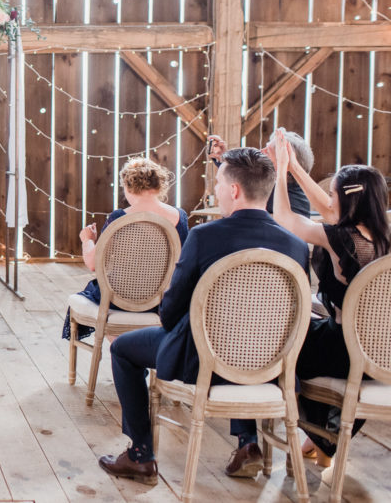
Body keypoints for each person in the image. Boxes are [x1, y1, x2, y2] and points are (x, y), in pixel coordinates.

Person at [98, 147, 309, 486]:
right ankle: (248, 443)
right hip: (270, 364)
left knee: (122, 349)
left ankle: (139, 455)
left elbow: (169, 315)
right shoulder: (295, 246)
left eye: (219, 183)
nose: (216, 190)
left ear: (235, 191)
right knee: (243, 343)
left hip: (203, 359)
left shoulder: (204, 237)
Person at [269, 130, 389, 467]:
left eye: (333, 193)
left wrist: (280, 173)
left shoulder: (341, 238)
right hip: (382, 353)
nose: (327, 199)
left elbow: (285, 219)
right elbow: (328, 207)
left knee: (287, 341)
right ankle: (322, 441)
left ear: (349, 200)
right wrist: (293, 167)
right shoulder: (381, 237)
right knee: (314, 326)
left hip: (345, 351)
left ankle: (320, 437)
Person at [61, 157, 189, 341]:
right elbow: (183, 260)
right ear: (159, 186)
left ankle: (123, 355)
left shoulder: (120, 217)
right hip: (162, 301)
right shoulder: (179, 216)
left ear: (128, 188)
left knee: (102, 294)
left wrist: (87, 240)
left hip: (120, 299)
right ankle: (137, 355)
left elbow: (92, 264)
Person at [207, 131, 316, 218]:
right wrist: (223, 157)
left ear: (285, 161)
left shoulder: (292, 201)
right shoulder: (281, 188)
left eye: (267, 151)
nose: (261, 151)